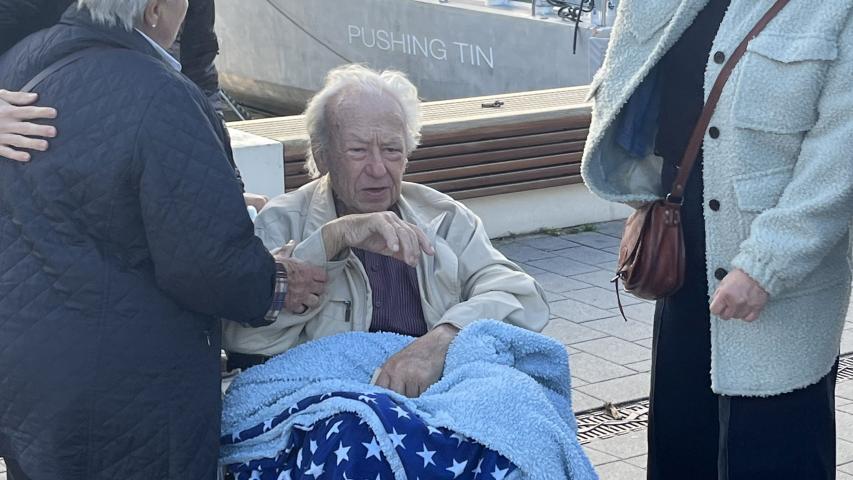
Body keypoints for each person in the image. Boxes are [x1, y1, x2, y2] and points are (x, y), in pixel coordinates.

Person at [0, 1, 320, 478]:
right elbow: (208, 265)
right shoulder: (161, 94)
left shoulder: (18, 66)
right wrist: (277, 283)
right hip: (127, 399)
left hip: (26, 379)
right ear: (153, 10)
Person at [581, 1, 853, 478]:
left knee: (774, 449)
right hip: (685, 256)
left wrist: (766, 266)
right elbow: (632, 80)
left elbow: (838, 160)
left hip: (782, 274)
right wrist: (641, 188)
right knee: (684, 445)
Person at [223, 64, 550, 397]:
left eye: (392, 150)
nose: (378, 169)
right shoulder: (282, 223)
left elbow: (523, 297)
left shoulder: (443, 217)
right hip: (326, 403)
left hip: (433, 399)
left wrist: (441, 340)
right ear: (322, 157)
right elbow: (242, 338)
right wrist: (331, 240)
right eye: (358, 150)